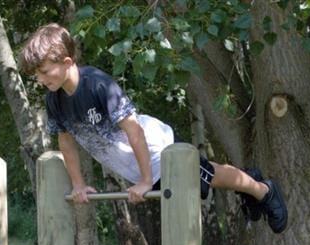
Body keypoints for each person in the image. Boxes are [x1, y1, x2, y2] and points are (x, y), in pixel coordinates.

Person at [19, 23, 288, 233]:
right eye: (36, 75)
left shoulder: (98, 85)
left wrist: (145, 180)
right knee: (206, 180)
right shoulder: (54, 99)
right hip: (134, 164)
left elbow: (134, 130)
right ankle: (248, 186)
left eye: (44, 71)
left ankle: (261, 190)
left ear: (67, 62)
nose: (41, 80)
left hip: (157, 149)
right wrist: (78, 185)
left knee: (207, 174)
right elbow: (66, 142)